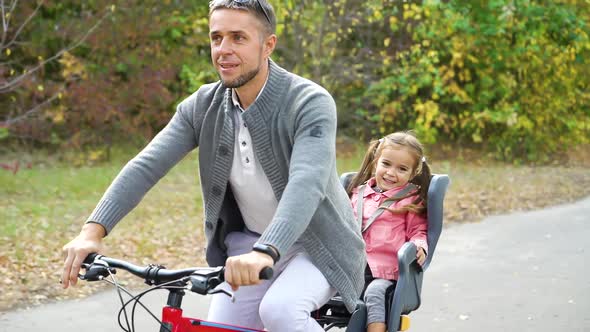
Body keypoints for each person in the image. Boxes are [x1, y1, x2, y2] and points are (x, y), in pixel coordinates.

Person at [60, 0, 366, 331]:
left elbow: (307, 183)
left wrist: (267, 250)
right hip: (247, 249)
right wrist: (92, 231)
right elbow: (146, 166)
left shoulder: (309, 102)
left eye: (238, 37)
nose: (223, 49)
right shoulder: (202, 106)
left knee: (280, 311)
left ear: (268, 45)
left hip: (316, 246)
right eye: (216, 37)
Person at [346, 131, 431, 332]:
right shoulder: (359, 193)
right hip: (351, 267)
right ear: (376, 162)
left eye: (402, 169)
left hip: (384, 272)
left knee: (375, 294)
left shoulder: (410, 199)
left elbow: (418, 231)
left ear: (413, 173)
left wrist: (420, 246)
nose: (391, 173)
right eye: (386, 164)